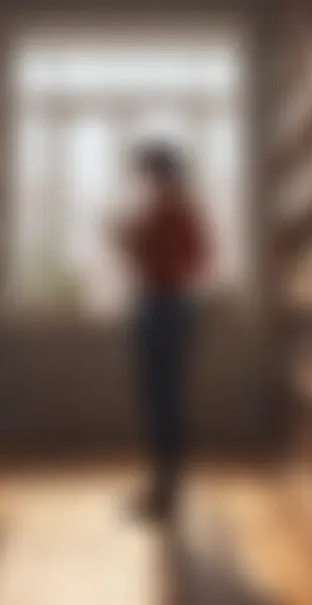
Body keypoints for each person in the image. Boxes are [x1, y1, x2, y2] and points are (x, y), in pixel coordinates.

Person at [112, 143, 209, 519]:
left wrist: (134, 244)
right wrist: (140, 246)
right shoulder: (176, 208)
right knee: (163, 398)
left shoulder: (169, 209)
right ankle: (165, 485)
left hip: (162, 303)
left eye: (149, 172)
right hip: (168, 304)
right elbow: (196, 258)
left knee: (160, 399)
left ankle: (164, 490)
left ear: (161, 172)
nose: (146, 181)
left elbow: (178, 259)